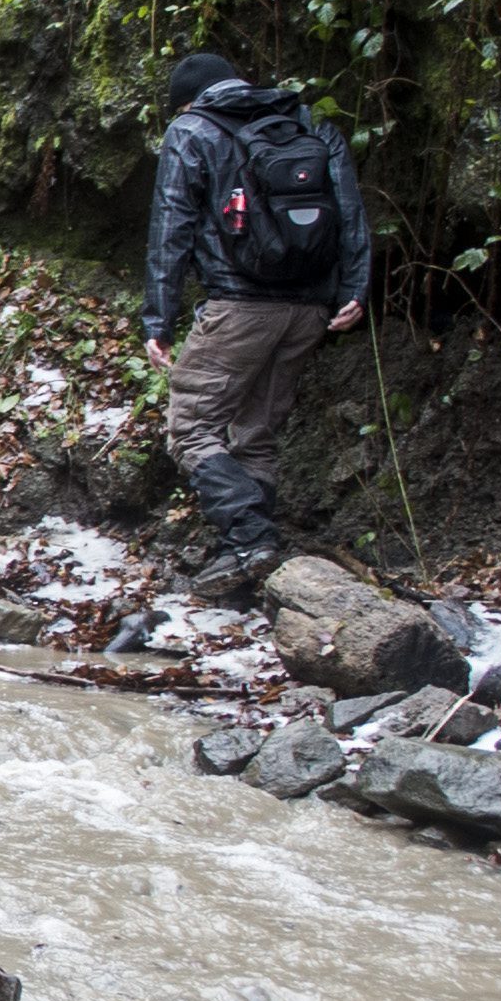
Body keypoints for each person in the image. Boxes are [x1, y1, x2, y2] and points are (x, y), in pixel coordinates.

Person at [142, 51, 373, 597]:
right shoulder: (311, 123)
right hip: (311, 310)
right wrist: (355, 291)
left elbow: (171, 226)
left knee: (191, 426)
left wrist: (159, 318)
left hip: (239, 305)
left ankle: (248, 536)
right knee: (256, 433)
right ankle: (249, 566)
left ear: (189, 100)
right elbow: (352, 213)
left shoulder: (192, 129)